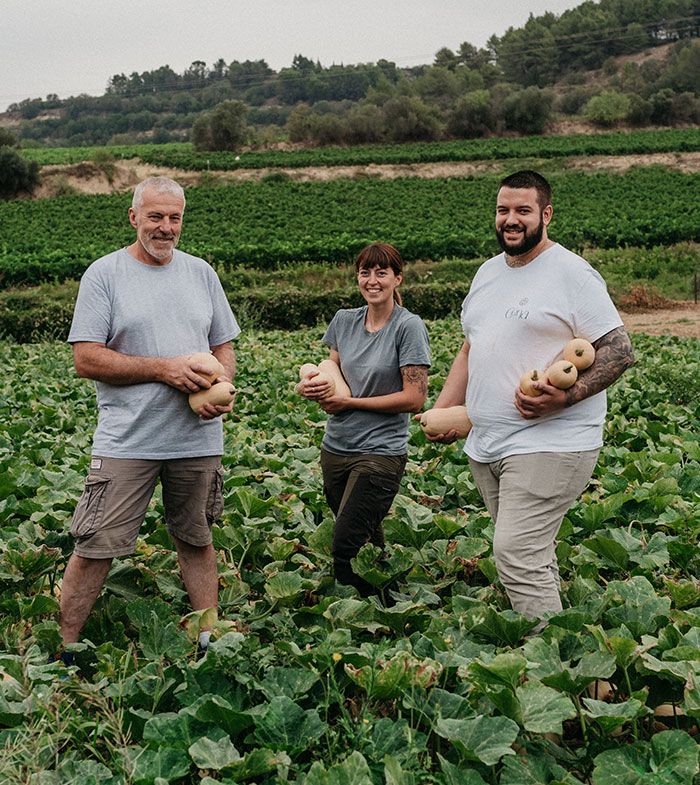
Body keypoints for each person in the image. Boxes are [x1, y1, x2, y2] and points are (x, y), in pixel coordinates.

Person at [424, 170, 634, 627]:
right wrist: (442, 411)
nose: (511, 219)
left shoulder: (572, 273)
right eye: (503, 210)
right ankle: (571, 653)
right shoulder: (487, 272)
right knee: (531, 555)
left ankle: (549, 658)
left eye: (523, 210)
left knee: (516, 551)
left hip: (551, 442)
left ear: (546, 214)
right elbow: (470, 348)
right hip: (489, 445)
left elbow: (619, 350)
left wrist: (566, 397)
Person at [59, 176, 240, 655]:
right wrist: (165, 370)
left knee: (196, 539)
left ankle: (209, 642)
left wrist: (221, 385)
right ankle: (61, 649)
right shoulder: (104, 275)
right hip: (128, 440)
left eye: (174, 217)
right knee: (96, 545)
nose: (165, 227)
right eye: (155, 216)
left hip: (196, 437)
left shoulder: (201, 273)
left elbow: (223, 344)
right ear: (133, 217)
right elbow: (86, 358)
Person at [299, 243, 431, 597]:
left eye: (381, 273)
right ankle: (385, 602)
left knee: (345, 545)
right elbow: (332, 368)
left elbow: (414, 398)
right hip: (336, 448)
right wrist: (316, 385)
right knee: (366, 539)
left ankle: (349, 609)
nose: (372, 281)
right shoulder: (344, 320)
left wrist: (350, 402)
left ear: (397, 278)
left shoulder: (408, 327)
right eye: (365, 273)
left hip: (380, 453)